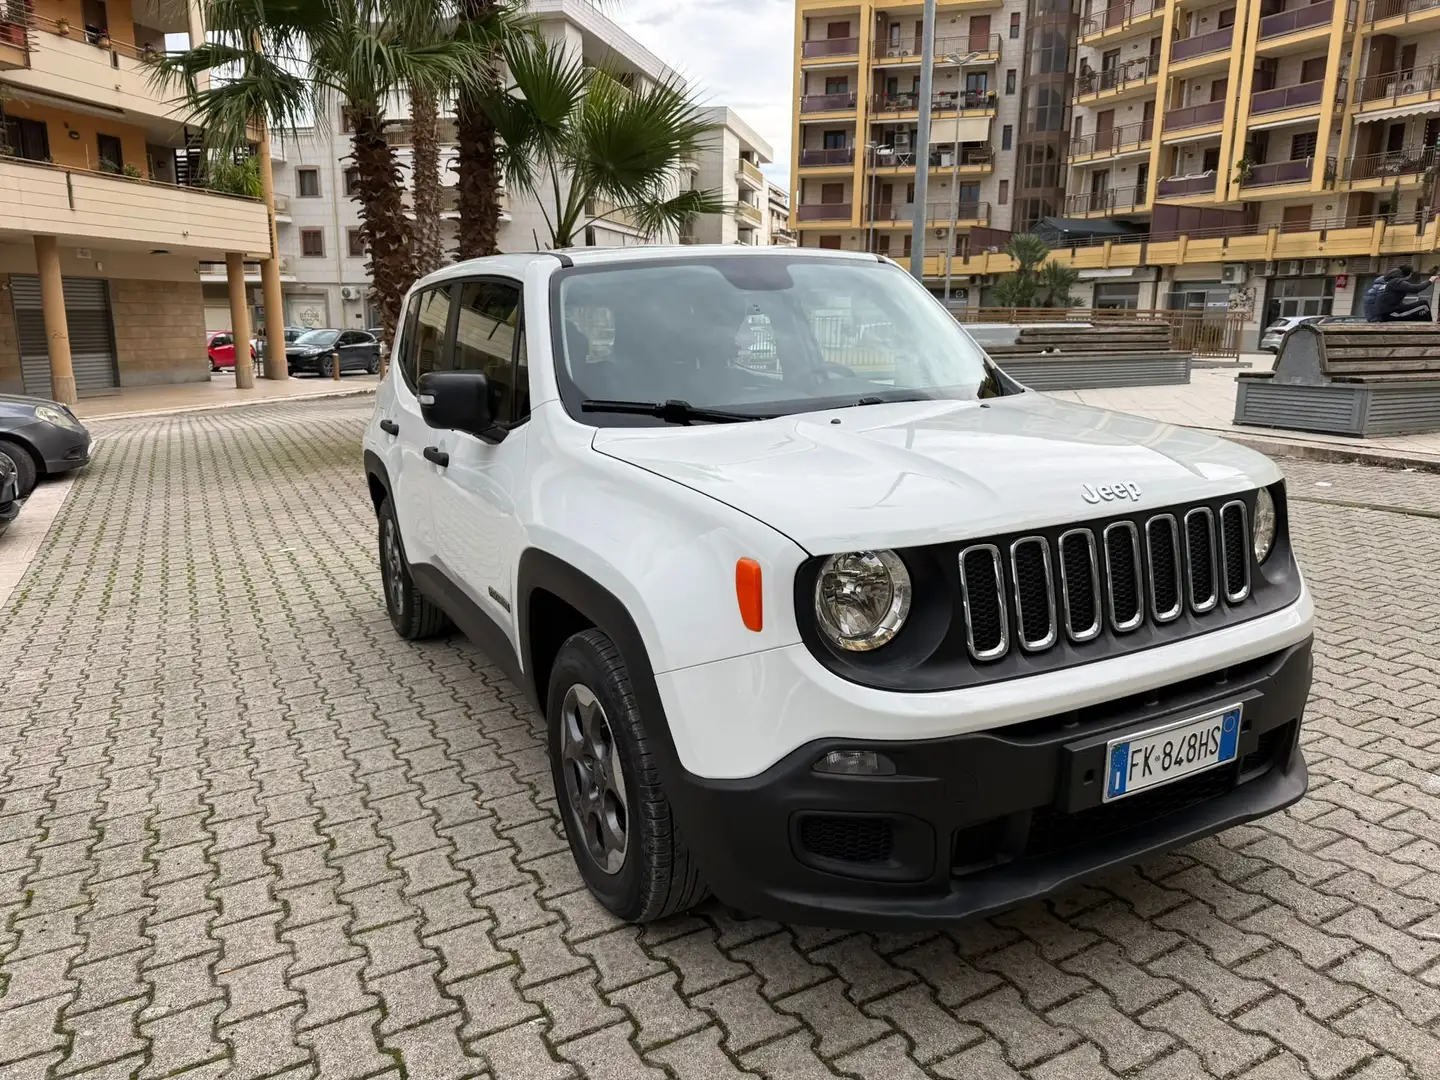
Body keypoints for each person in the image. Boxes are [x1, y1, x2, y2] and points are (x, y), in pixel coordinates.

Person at [1373, 264, 1440, 322]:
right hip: (1391, 314)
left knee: (1420, 315)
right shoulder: (1397, 282)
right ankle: (1432, 329)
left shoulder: (1389, 281)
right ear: (1409, 274)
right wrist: (1430, 280)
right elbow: (1415, 289)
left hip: (1385, 314)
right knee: (1424, 304)